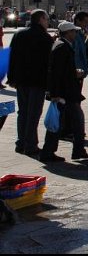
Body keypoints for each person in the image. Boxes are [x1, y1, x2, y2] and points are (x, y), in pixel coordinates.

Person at [40, 22, 88, 162]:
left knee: (62, 122)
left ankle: (71, 150)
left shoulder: (61, 45)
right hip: (65, 92)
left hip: (66, 92)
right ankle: (70, 151)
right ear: (68, 32)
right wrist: (56, 93)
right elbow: (56, 72)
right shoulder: (62, 47)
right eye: (73, 32)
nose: (75, 34)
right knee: (72, 121)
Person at [8, 9, 54, 157]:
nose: (48, 23)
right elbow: (48, 63)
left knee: (23, 112)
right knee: (33, 114)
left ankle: (21, 143)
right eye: (47, 20)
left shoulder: (19, 34)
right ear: (41, 19)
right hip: (37, 81)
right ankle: (30, 145)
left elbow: (12, 57)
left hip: (21, 80)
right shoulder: (45, 37)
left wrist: (12, 78)